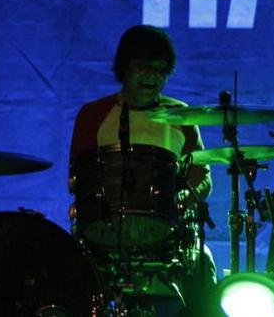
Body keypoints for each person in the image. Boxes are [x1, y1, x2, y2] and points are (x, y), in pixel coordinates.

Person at [69, 24, 213, 313]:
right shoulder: (94, 115)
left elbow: (202, 177)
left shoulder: (182, 115)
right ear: (124, 68)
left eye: (160, 70)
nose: (152, 76)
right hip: (105, 232)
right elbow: (77, 178)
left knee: (204, 267)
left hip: (167, 234)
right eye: (144, 67)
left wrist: (184, 198)